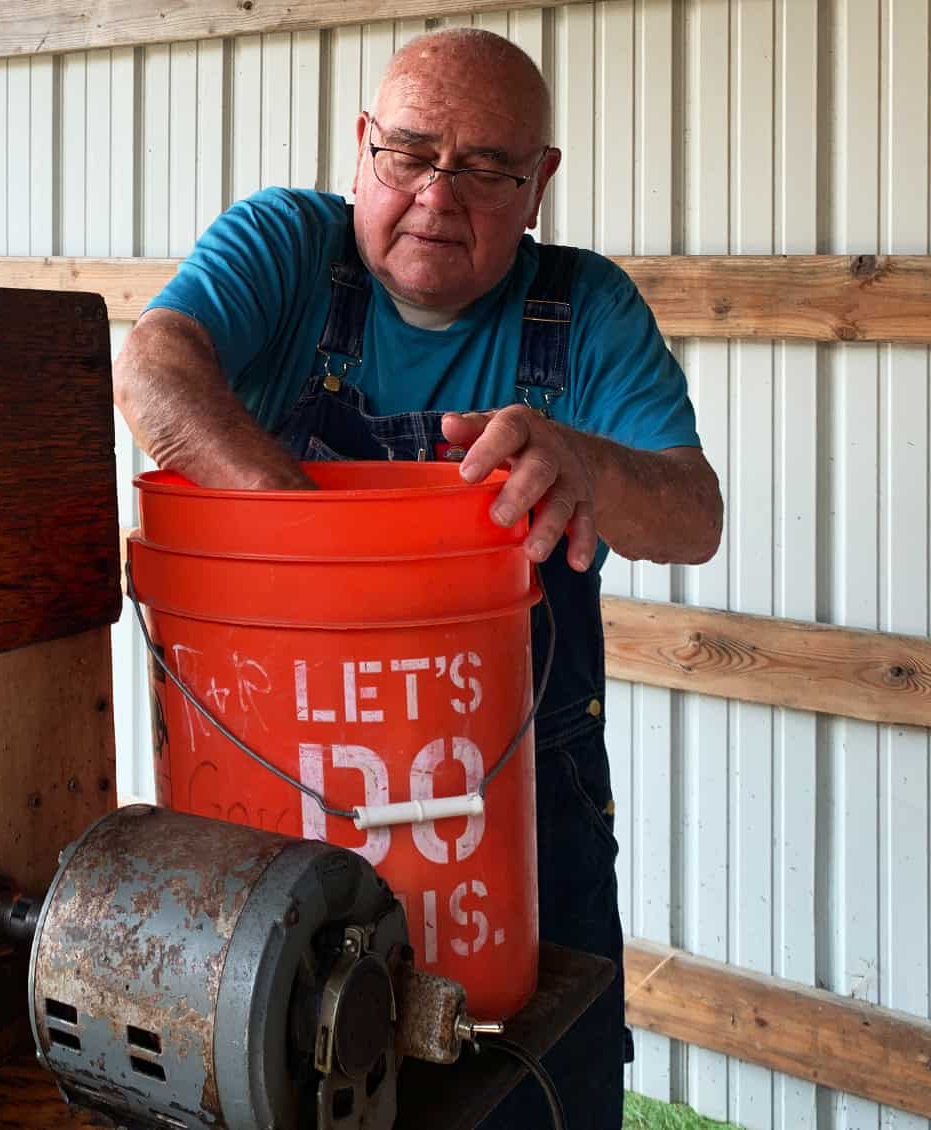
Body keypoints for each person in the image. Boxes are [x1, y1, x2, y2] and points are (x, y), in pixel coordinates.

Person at [112, 26, 723, 1130]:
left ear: (538, 186)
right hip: (278, 793)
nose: (442, 194)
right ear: (362, 151)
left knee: (542, 1088)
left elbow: (694, 512)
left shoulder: (585, 310)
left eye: (489, 166)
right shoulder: (287, 247)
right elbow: (154, 365)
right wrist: (326, 551)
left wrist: (585, 460)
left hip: (516, 802)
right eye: (411, 153)